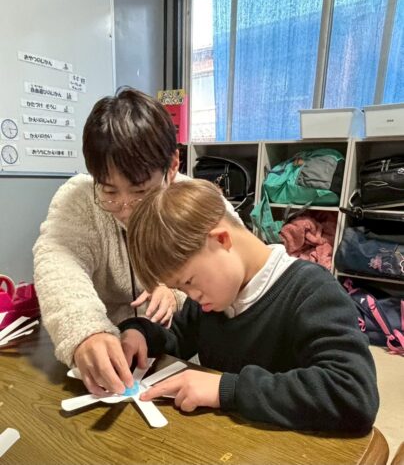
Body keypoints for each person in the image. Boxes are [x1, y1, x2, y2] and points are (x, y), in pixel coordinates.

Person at [119, 179, 379, 432]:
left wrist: (226, 389)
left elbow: (353, 395)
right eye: (181, 288)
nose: (191, 295)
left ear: (221, 240)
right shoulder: (212, 298)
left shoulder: (312, 292)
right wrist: (140, 334)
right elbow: (176, 338)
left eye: (188, 281)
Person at [33, 87, 241, 397]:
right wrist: (86, 331)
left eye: (141, 191)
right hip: (105, 353)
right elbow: (58, 262)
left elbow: (234, 273)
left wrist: (175, 292)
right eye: (109, 191)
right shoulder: (78, 198)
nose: (126, 208)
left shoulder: (197, 202)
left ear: (173, 164)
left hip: (172, 353)